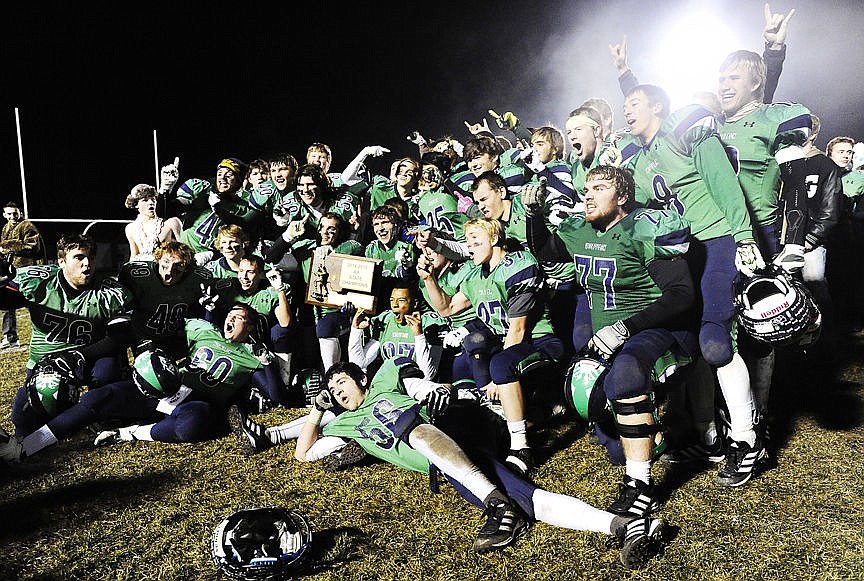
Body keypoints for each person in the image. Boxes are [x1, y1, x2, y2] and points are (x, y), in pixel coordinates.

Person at [289, 357, 673, 568]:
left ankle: (497, 504)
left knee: (405, 422)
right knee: (530, 501)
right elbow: (304, 454)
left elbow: (413, 381)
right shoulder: (348, 425)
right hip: (449, 467)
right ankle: (624, 526)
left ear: (360, 378)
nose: (338, 392)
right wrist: (314, 412)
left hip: (452, 421)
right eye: (333, 391)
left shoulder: (383, 381)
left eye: (342, 382)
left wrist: (434, 391)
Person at [525, 165, 696, 516]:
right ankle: (657, 436)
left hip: (655, 327)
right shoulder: (577, 229)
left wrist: (624, 328)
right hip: (608, 336)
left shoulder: (643, 228)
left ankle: (641, 486)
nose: (588, 195)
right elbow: (544, 250)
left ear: (622, 197)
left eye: (599, 188)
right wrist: (533, 215)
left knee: (626, 375)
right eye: (586, 188)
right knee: (613, 442)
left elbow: (681, 294)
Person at [619, 84, 766, 487]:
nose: (626, 111)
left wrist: (744, 235)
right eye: (624, 104)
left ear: (658, 106)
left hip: (716, 241)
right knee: (691, 345)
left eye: (634, 103)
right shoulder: (637, 159)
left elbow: (723, 183)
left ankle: (748, 439)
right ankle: (709, 432)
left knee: (717, 342)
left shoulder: (686, 129)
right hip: (680, 255)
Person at [0, 303, 284, 459]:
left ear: (250, 325)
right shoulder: (204, 329)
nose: (231, 319)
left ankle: (130, 432)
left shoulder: (251, 356)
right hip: (162, 386)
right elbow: (164, 330)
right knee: (97, 398)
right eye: (230, 314)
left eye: (240, 317)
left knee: (191, 425)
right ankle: (27, 447)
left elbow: (275, 393)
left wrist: (267, 360)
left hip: (196, 402)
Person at [418, 218, 563, 477]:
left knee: (499, 364)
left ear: (494, 239)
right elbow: (446, 308)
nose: (470, 247)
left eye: (476, 241)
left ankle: (521, 448)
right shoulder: (475, 276)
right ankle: (522, 414)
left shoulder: (518, 264)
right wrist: (429, 278)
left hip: (540, 343)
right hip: (509, 347)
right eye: (468, 242)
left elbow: (518, 328)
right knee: (475, 344)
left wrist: (498, 378)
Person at [0, 234, 132, 436]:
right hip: (46, 360)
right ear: (61, 261)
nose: (87, 263)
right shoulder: (39, 281)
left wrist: (79, 356)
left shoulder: (109, 291)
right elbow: (6, 302)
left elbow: (120, 337)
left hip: (88, 357)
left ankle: (105, 414)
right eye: (79, 257)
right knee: (23, 420)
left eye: (91, 257)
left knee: (109, 369)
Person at [117, 240, 212, 358]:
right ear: (158, 260)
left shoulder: (198, 279)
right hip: (141, 334)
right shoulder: (139, 275)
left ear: (187, 268)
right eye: (166, 262)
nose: (170, 269)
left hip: (173, 335)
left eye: (178, 265)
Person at [0, 201, 43, 349]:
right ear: (4, 215)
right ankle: (10, 337)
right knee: (7, 303)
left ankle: (44, 333)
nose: (13, 216)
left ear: (20, 213)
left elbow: (33, 246)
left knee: (33, 303)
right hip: (11, 272)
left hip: (28, 272)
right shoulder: (6, 227)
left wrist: (6, 246)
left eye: (15, 213)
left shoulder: (27, 226)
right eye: (9, 213)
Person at [124, 184, 181, 263]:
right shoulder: (130, 229)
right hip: (143, 270)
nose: (151, 202)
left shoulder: (170, 224)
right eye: (145, 200)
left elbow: (185, 253)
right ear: (136, 204)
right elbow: (134, 255)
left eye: (153, 200)